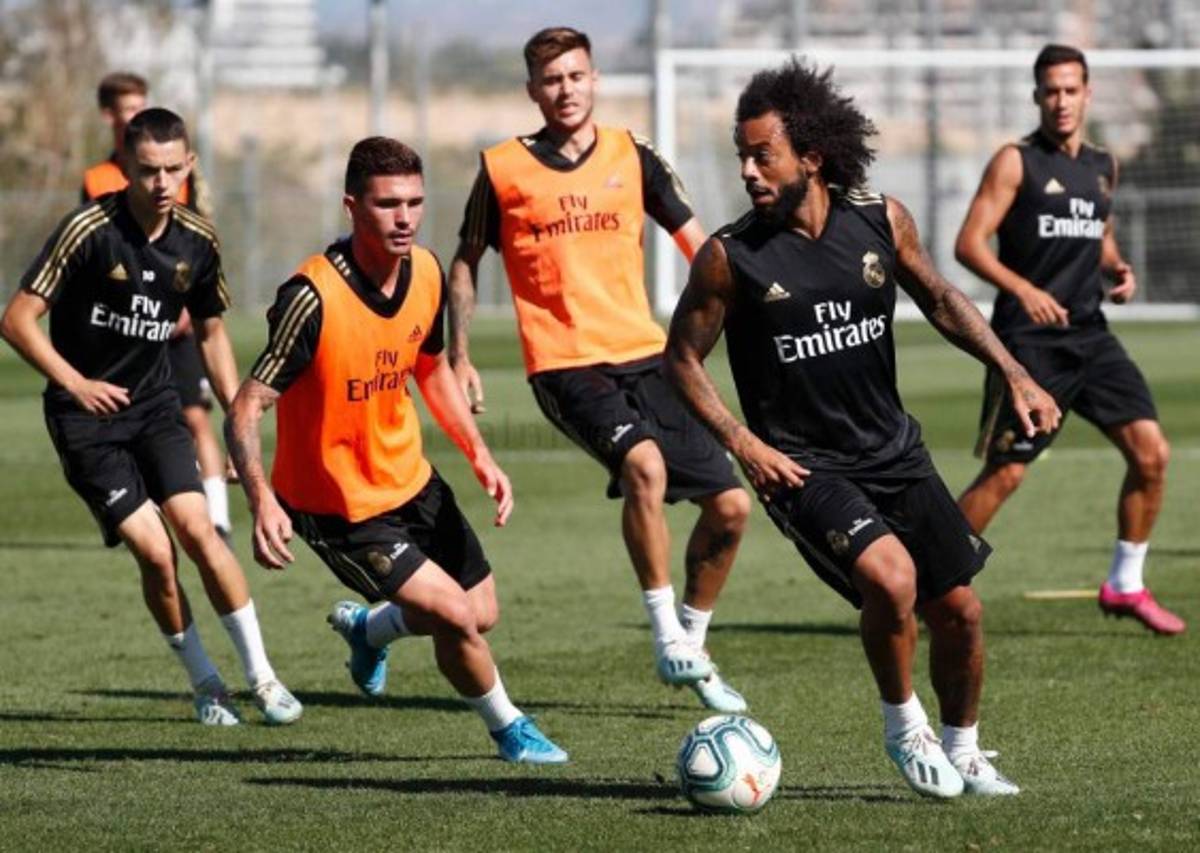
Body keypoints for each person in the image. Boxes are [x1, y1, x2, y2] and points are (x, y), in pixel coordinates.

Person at [664, 59, 1062, 798]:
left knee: (962, 612)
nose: (748, 171)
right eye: (742, 156)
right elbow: (681, 358)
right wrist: (743, 443)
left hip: (894, 451)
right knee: (892, 578)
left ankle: (964, 749)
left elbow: (940, 299)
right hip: (804, 468)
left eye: (763, 155)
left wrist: (1015, 372)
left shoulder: (881, 219)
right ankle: (904, 726)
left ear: (812, 156)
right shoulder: (729, 256)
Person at [225, 136, 568, 764]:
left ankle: (369, 629)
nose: (404, 217)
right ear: (352, 207)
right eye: (387, 204)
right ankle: (510, 729)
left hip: (410, 479)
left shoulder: (428, 272)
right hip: (339, 507)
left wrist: (479, 454)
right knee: (454, 615)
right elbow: (247, 405)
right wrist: (261, 499)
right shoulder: (311, 297)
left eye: (414, 202)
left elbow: (430, 368)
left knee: (481, 612)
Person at [447, 26, 752, 712]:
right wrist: (460, 354)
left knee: (732, 507)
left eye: (576, 75)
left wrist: (743, 312)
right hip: (564, 362)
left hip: (646, 353)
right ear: (533, 90)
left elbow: (700, 246)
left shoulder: (632, 155)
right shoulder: (502, 168)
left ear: (595, 80)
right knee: (644, 465)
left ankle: (693, 644)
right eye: (552, 80)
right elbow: (465, 261)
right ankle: (666, 635)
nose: (566, 90)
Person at [1, 108, 300, 726]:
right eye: (146, 171)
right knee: (157, 554)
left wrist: (236, 418)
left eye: (172, 170)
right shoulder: (88, 229)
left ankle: (264, 680)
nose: (161, 183)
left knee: (199, 531)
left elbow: (212, 333)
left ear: (189, 165)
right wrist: (77, 384)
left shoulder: (198, 240)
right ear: (125, 170)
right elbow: (17, 319)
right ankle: (207, 686)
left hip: (156, 409)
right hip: (84, 421)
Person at [954, 45, 1183, 635]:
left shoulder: (1103, 165)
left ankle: (1125, 584)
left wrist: (1117, 268)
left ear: (1087, 94)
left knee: (1152, 454)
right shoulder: (1016, 162)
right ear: (1037, 96)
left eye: (1071, 90)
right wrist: (1024, 289)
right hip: (1028, 345)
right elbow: (969, 244)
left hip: (1090, 336)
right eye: (1051, 90)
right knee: (1006, 473)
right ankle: (930, 582)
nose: (1061, 101)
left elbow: (1098, 234)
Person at [82, 71, 234, 543]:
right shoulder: (96, 179)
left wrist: (185, 306)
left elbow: (193, 241)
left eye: (140, 104)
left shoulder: (172, 167)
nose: (161, 182)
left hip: (177, 318)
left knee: (194, 415)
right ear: (110, 117)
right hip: (126, 331)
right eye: (126, 108)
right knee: (127, 421)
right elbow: (97, 254)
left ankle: (219, 519)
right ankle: (138, 509)